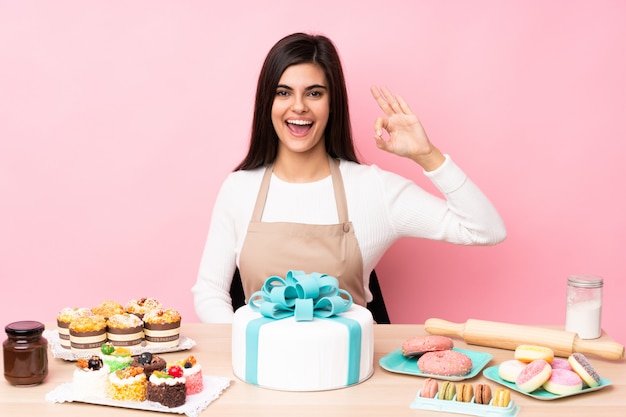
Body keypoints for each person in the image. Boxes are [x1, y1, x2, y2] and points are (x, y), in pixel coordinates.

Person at [192, 32, 506, 323]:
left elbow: (485, 230)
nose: (298, 106)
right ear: (267, 103)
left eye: (314, 93)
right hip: (260, 375)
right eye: (283, 92)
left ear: (333, 103)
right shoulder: (239, 189)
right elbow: (209, 292)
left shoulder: (373, 189)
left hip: (351, 379)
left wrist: (426, 155)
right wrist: (251, 343)